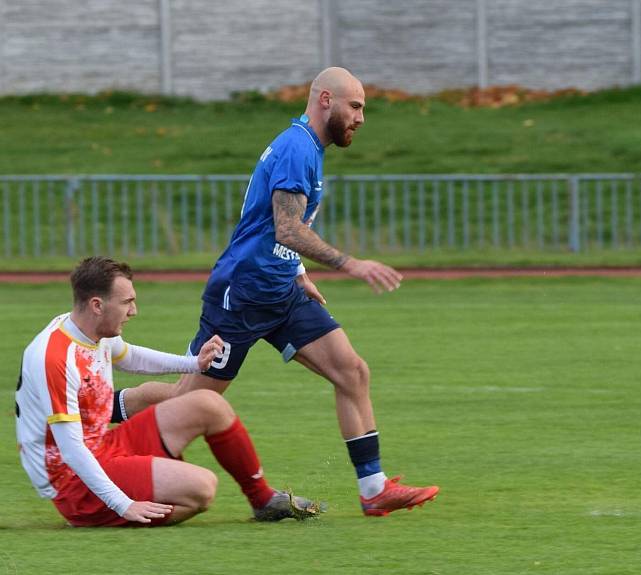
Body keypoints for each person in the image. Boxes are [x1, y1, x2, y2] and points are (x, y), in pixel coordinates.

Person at [177, 67, 438, 516]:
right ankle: (110, 420)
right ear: (324, 100)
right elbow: (287, 226)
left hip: (281, 290)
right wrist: (349, 263)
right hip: (242, 294)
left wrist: (297, 273)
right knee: (191, 402)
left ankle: (374, 489)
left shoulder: (309, 148)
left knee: (351, 371)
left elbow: (274, 229)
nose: (361, 118)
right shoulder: (299, 147)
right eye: (355, 106)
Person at [15, 256, 321, 527]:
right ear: (97, 305)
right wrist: (124, 504)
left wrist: (194, 363)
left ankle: (263, 501)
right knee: (202, 488)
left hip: (105, 446)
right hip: (74, 484)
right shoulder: (54, 356)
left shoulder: (89, 329)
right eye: (127, 302)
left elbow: (130, 356)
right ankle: (110, 512)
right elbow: (71, 450)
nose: (133, 311)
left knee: (208, 403)